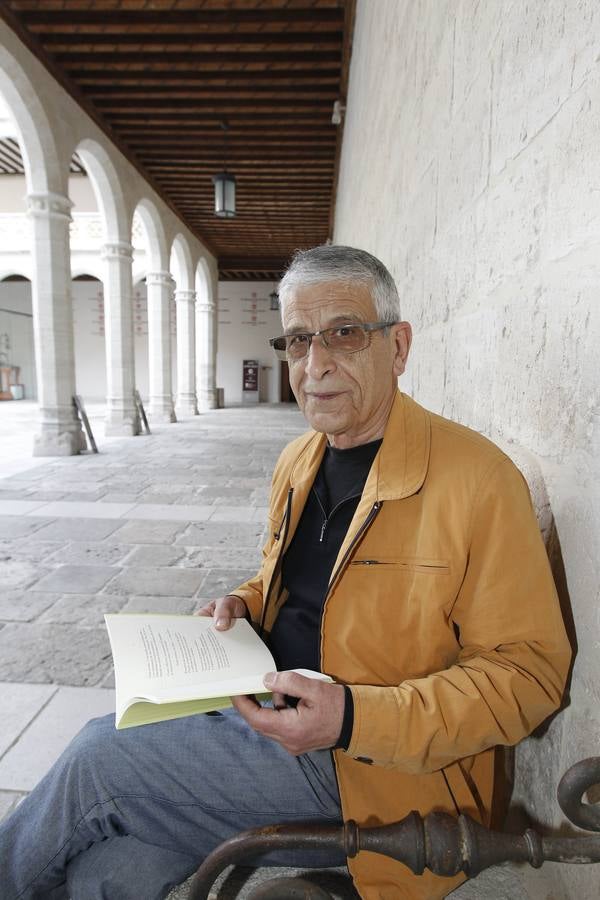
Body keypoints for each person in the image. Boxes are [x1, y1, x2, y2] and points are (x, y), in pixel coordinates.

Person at [0, 245, 571, 900]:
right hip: (265, 708)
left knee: (100, 758)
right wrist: (245, 603)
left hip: (374, 768)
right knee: (111, 866)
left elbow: (529, 677)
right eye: (299, 340)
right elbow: (301, 583)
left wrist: (353, 717)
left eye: (344, 334)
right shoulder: (300, 459)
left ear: (399, 346)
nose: (316, 365)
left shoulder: (477, 480)